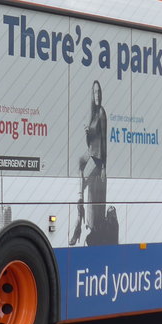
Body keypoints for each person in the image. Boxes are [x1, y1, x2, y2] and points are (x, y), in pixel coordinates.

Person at [70, 80, 108, 246]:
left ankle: (78, 222)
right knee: (78, 163)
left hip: (97, 157)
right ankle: (80, 211)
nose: (97, 95)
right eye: (95, 92)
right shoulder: (93, 114)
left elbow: (104, 139)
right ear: (92, 96)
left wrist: (104, 166)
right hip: (90, 151)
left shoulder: (101, 113)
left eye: (99, 92)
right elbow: (90, 142)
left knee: (84, 177)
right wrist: (87, 134)